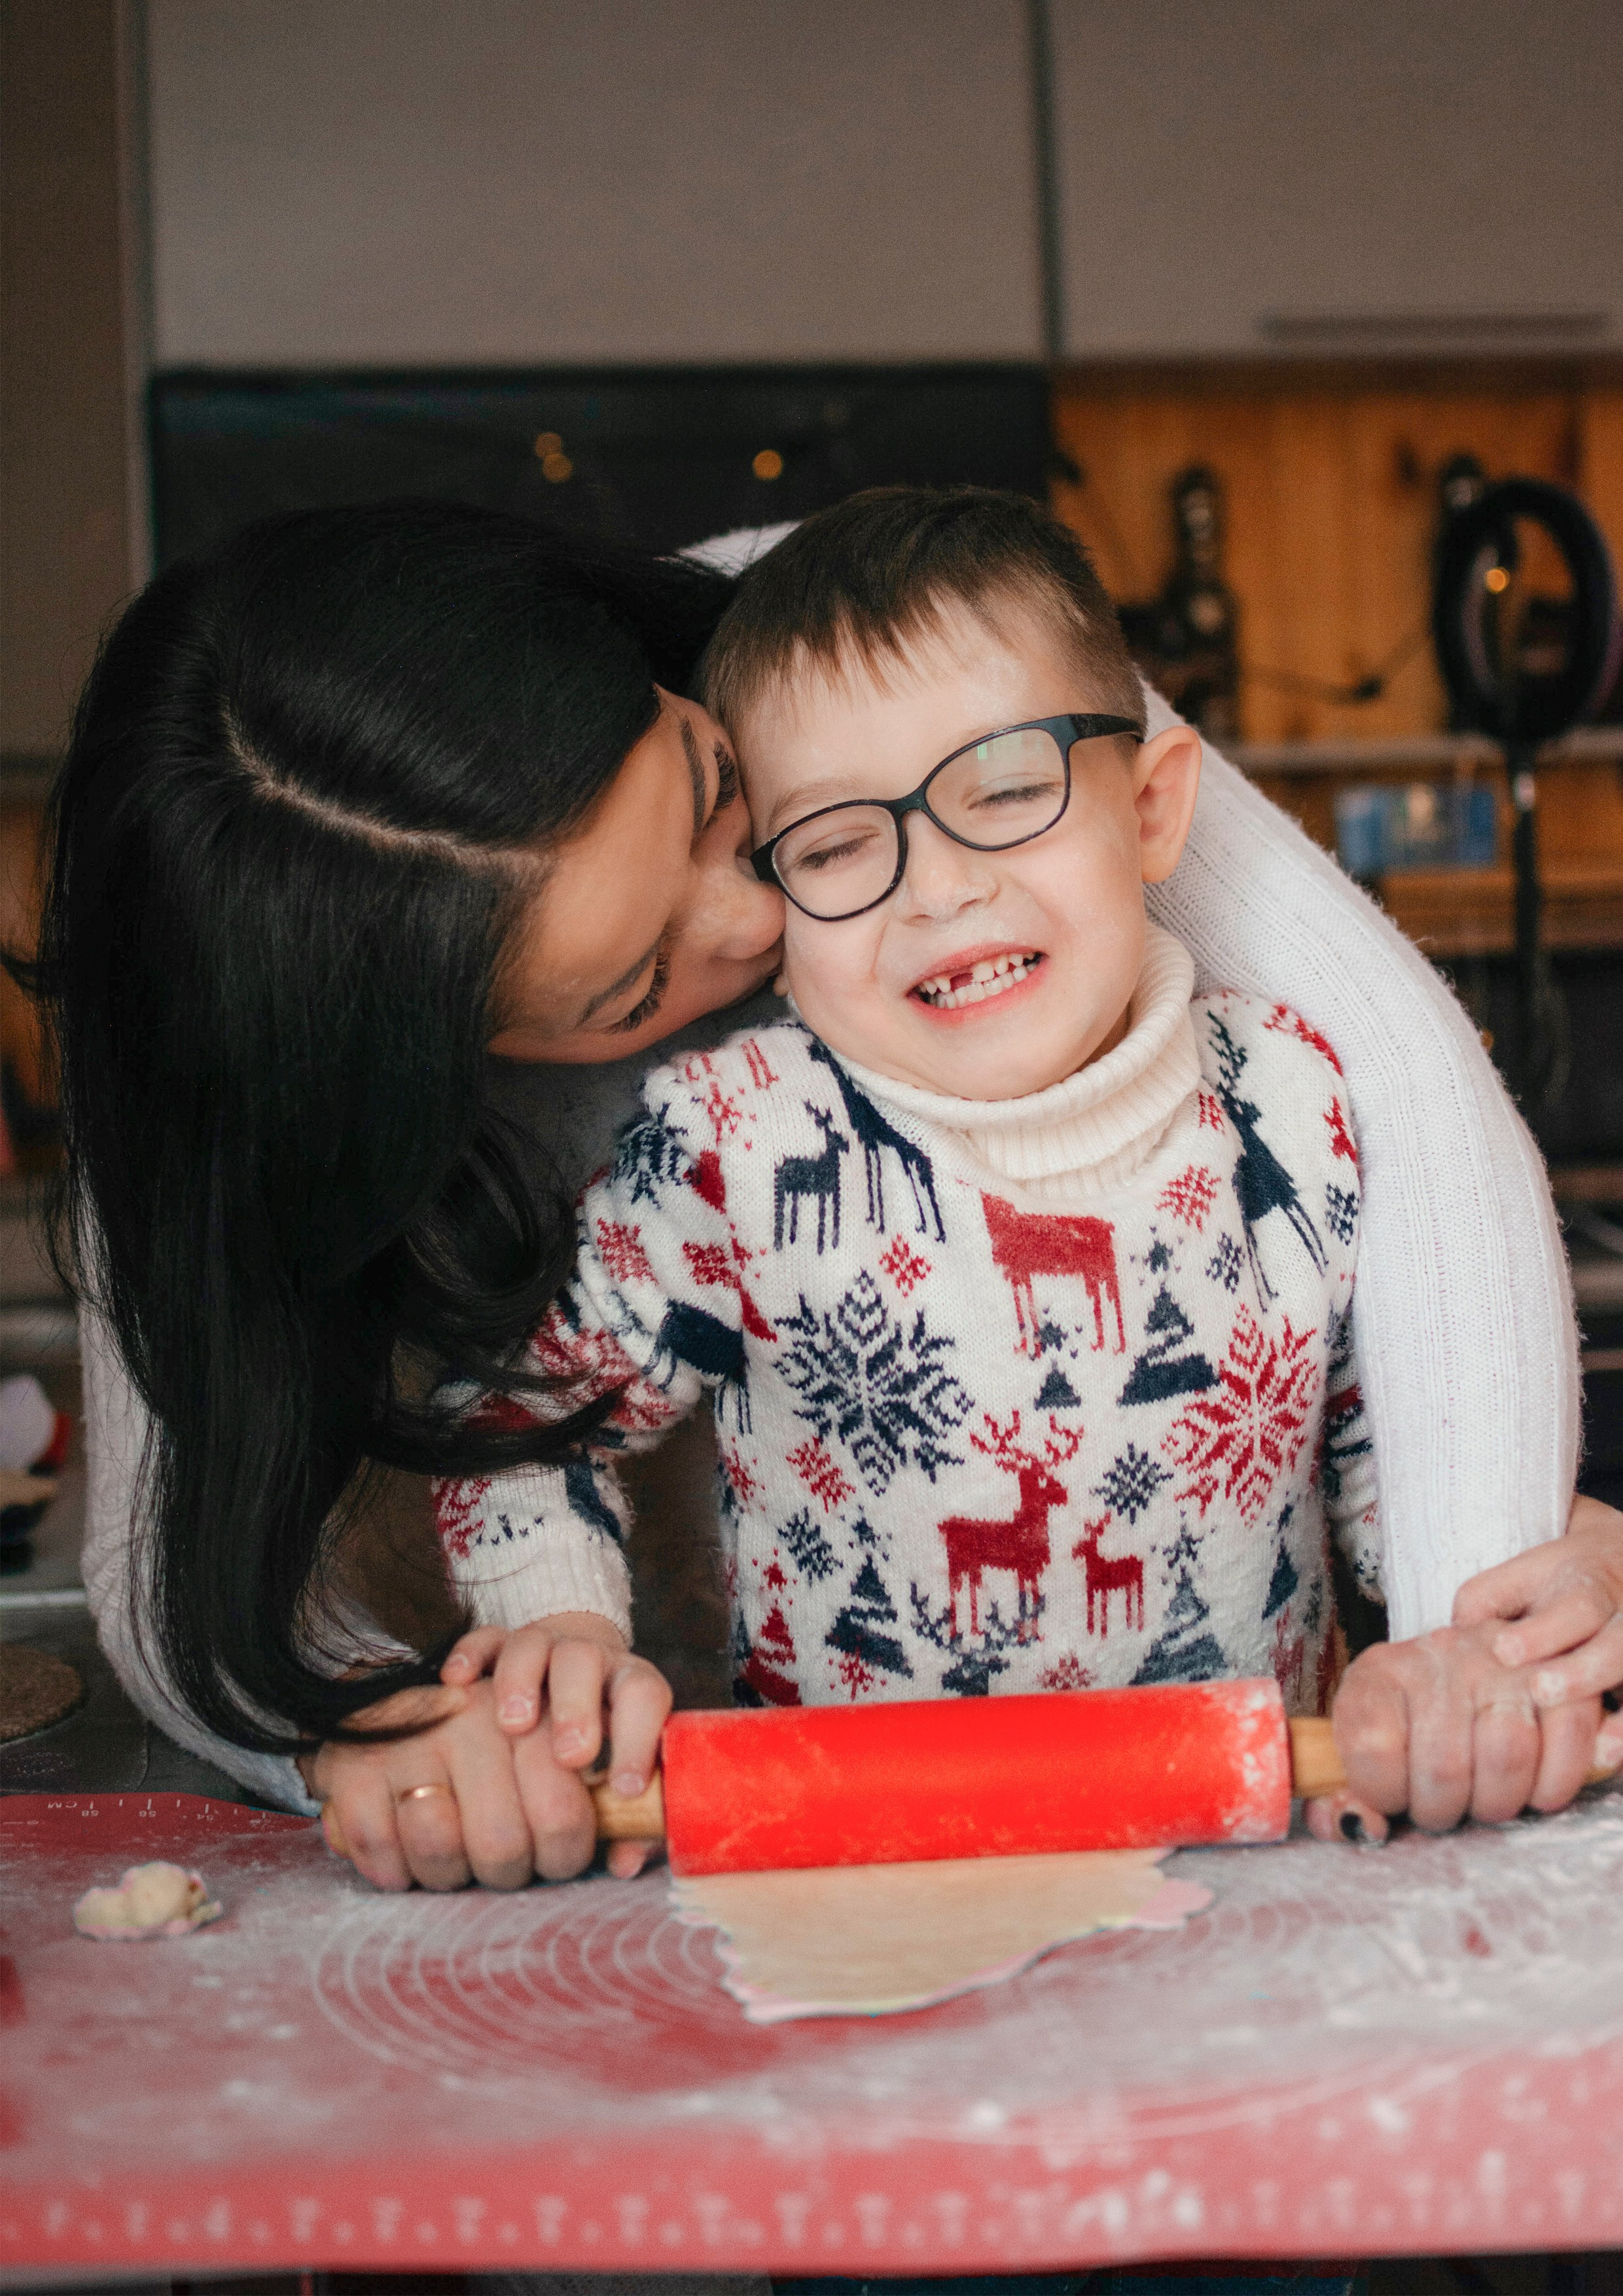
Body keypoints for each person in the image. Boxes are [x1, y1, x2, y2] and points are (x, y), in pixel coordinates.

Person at [22, 497, 1616, 1900]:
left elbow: (1413, 1145)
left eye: (724, 794)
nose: (774, 907)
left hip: (1246, 1848)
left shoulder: (877, 675)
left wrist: (1496, 1604)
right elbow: (206, 1559)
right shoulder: (679, 1134)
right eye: (633, 980)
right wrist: (398, 1718)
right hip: (783, 1847)